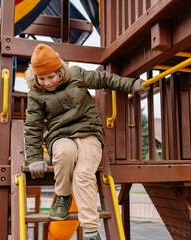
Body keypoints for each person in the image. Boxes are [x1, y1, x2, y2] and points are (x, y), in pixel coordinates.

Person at [24, 44, 148, 240]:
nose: (47, 82)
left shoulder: (76, 75)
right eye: (42, 78)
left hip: (89, 133)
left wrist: (131, 85)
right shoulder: (36, 95)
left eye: (51, 76)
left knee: (83, 175)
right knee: (65, 153)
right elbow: (32, 127)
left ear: (60, 70)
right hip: (60, 136)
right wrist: (34, 159)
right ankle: (63, 196)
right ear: (35, 77)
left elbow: (104, 79)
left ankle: (91, 232)